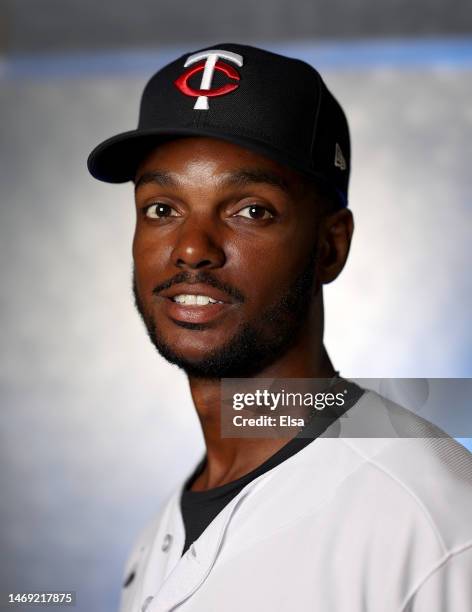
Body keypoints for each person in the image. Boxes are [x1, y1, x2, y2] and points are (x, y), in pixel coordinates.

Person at [87, 43, 472, 612]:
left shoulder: (434, 520)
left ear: (330, 246)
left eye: (251, 210)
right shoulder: (160, 534)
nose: (192, 248)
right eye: (162, 209)